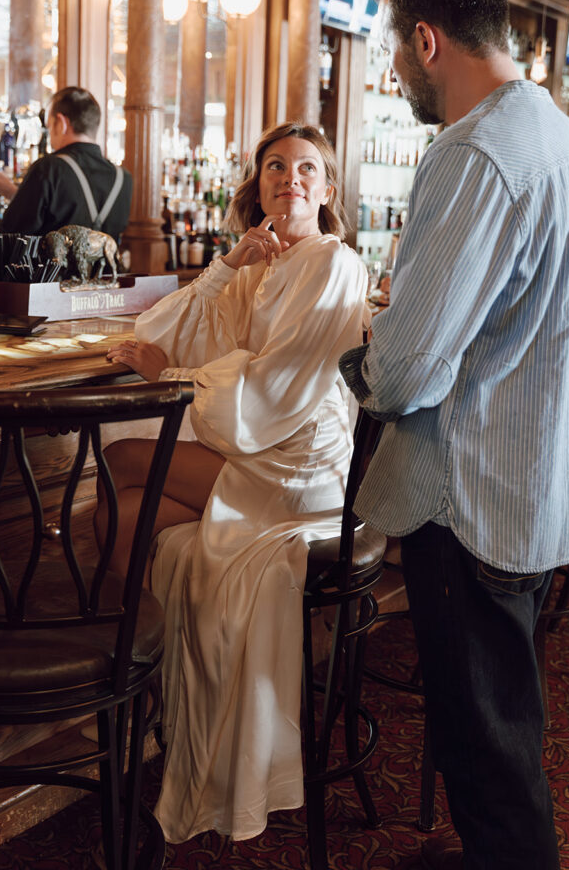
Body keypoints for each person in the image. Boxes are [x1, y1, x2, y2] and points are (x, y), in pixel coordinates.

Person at [339, 0, 569, 870]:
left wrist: (368, 354)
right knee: (502, 737)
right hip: (533, 484)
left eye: (387, 49)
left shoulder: (474, 153)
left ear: (424, 40)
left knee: (488, 763)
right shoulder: (564, 141)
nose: (393, 73)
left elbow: (408, 371)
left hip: (471, 497)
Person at [100, 122, 368, 844]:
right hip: (258, 455)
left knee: (125, 464)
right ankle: (140, 698)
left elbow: (273, 386)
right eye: (275, 167)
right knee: (126, 510)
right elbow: (157, 329)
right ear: (257, 187)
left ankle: (123, 682)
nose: (291, 179)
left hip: (299, 471)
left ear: (327, 188)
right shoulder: (259, 264)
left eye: (307, 169)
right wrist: (229, 262)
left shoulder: (334, 264)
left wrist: (172, 377)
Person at [0, 87, 132, 240]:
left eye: (49, 126)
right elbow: (70, 208)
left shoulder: (48, 169)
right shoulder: (123, 178)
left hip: (53, 264)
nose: (50, 137)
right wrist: (14, 193)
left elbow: (10, 240)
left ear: (61, 123)